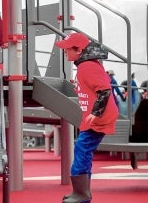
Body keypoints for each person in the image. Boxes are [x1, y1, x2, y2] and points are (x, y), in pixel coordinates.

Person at [55, 32, 119, 203]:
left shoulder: (87, 66)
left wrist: (95, 113)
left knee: (82, 149)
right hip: (95, 117)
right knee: (83, 149)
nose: (64, 52)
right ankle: (81, 192)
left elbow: (104, 91)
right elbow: (91, 88)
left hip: (99, 118)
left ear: (78, 50)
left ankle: (81, 194)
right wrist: (76, 85)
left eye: (67, 49)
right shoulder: (84, 66)